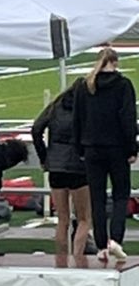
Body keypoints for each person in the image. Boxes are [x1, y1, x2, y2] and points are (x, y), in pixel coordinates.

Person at [73, 47, 138, 262]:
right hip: (117, 149)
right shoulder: (123, 85)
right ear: (116, 63)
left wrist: (80, 149)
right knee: (120, 194)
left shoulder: (86, 86)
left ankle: (101, 245)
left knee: (97, 197)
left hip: (92, 149)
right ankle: (116, 239)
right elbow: (128, 120)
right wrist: (132, 149)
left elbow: (77, 120)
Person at [32, 84, 92, 256]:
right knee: (84, 219)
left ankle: (61, 261)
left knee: (62, 219)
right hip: (79, 167)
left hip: (56, 166)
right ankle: (77, 258)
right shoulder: (86, 109)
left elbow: (36, 129)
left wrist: (44, 157)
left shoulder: (55, 106)